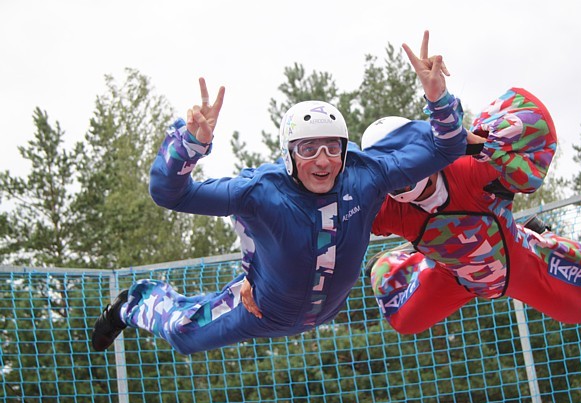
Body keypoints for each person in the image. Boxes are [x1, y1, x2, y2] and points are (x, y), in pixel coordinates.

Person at [91, 31, 468, 355]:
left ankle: (416, 258)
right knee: (184, 337)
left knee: (428, 212)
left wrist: (438, 98)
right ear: (288, 154)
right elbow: (170, 194)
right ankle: (134, 303)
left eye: (332, 147)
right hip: (261, 312)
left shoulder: (365, 175)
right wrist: (189, 145)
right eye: (308, 149)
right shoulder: (258, 191)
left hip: (323, 309)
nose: (323, 160)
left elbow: (445, 148)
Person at [360, 88, 581, 335]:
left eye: (403, 166)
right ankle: (411, 258)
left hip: (511, 260)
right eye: (388, 174)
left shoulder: (467, 170)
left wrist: (470, 135)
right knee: (405, 321)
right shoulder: (388, 210)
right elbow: (337, 218)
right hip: (451, 276)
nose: (400, 180)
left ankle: (537, 236)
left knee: (579, 307)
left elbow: (535, 125)